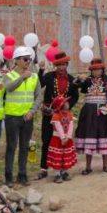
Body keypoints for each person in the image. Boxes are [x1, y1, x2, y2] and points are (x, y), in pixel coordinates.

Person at [36, 52, 79, 180]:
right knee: (47, 140)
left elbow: (75, 96)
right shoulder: (49, 77)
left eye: (63, 65)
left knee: (63, 141)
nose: (61, 67)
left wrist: (68, 106)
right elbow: (39, 84)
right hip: (49, 114)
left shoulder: (71, 80)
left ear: (67, 65)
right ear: (55, 66)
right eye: (59, 65)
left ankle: (62, 169)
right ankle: (44, 168)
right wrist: (41, 70)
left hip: (64, 117)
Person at [74, 58, 107, 174]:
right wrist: (80, 78)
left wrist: (106, 108)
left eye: (99, 69)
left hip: (103, 114)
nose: (96, 72)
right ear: (91, 71)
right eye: (94, 70)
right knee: (88, 138)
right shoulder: (88, 81)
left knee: (104, 138)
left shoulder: (106, 82)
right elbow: (76, 85)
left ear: (102, 70)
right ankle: (88, 167)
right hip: (89, 113)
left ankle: (105, 165)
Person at [3, 46, 41, 187]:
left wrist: (32, 111)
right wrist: (21, 77)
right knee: (11, 146)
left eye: (29, 59)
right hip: (12, 116)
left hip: (27, 117)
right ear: (17, 60)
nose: (27, 62)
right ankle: (8, 176)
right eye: (25, 59)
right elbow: (9, 88)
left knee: (24, 146)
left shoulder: (34, 77)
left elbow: (38, 96)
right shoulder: (9, 75)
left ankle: (22, 175)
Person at [47, 96, 77, 183]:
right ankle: (57, 174)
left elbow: (71, 126)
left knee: (65, 156)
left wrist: (68, 136)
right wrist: (63, 137)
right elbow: (58, 127)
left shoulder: (69, 114)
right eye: (66, 102)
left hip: (67, 139)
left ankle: (64, 171)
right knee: (58, 156)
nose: (68, 104)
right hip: (58, 139)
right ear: (61, 105)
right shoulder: (56, 116)